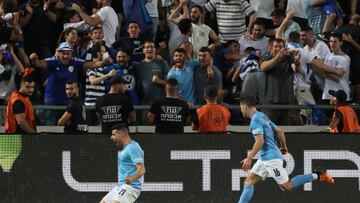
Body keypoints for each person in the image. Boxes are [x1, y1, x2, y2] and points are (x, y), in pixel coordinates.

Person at [237, 95, 335, 203]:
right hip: (265, 158)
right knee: (248, 182)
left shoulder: (255, 121)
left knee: (287, 186)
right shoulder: (262, 116)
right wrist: (283, 146)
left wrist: (249, 158)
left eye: (241, 106)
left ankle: (317, 175)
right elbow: (279, 131)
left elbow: (260, 141)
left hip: (271, 159)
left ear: (245, 106)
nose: (241, 108)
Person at [100, 123, 145, 203]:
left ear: (121, 134)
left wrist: (132, 179)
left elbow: (142, 169)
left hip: (131, 187)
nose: (111, 137)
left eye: (113, 134)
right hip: (120, 186)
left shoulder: (133, 147)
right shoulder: (126, 148)